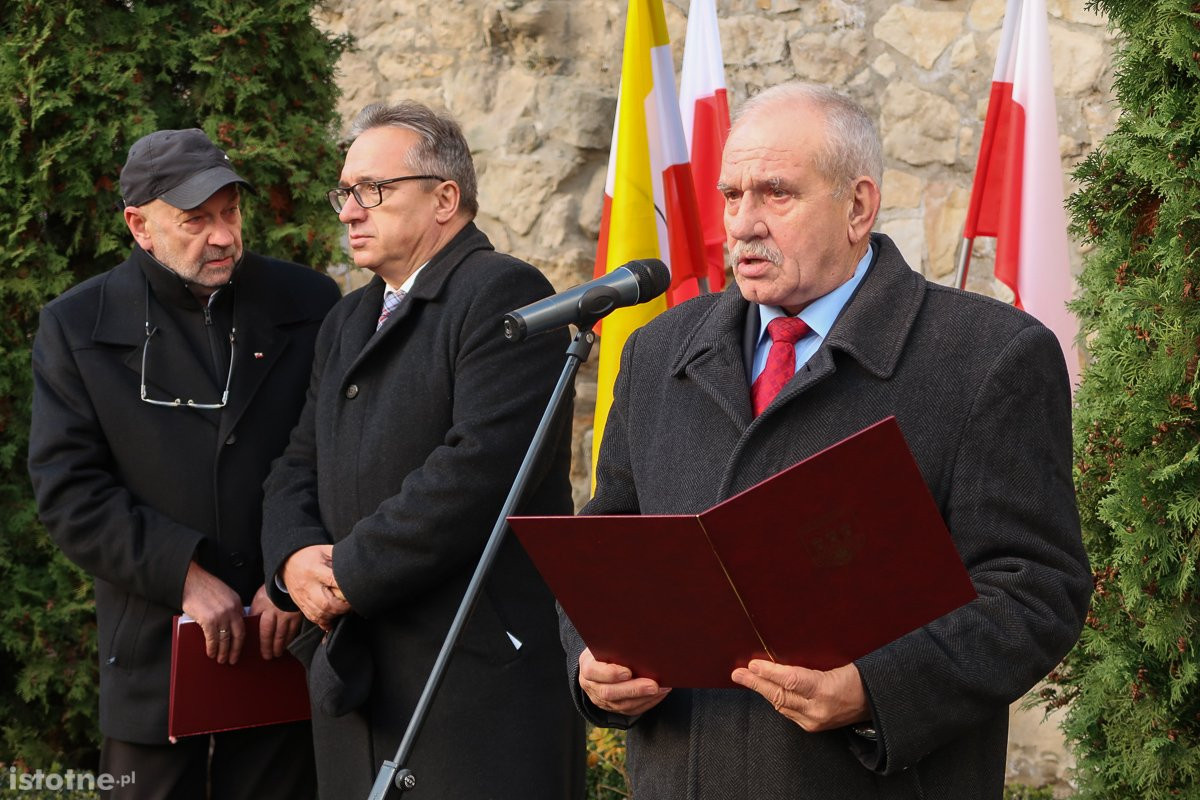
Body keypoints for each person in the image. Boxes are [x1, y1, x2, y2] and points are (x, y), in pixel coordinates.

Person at [560, 82, 1092, 798]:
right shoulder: (658, 351)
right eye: (730, 195)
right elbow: (607, 548)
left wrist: (877, 688)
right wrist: (595, 661)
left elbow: (1036, 589)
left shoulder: (986, 355)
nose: (742, 223)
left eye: (776, 194)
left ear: (858, 206)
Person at [260, 101, 585, 798]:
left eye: (373, 190)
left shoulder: (505, 291)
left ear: (445, 198)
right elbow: (296, 461)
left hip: (470, 683)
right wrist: (293, 560)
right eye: (344, 192)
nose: (349, 210)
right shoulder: (348, 316)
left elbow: (477, 473)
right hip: (360, 675)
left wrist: (345, 571)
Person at [27, 129, 341, 799]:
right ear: (139, 225)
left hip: (287, 646)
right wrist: (185, 575)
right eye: (196, 220)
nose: (224, 235)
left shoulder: (310, 305)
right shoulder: (76, 326)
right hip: (154, 661)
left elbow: (336, 453)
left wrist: (289, 572)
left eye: (230, 212)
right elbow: (70, 493)